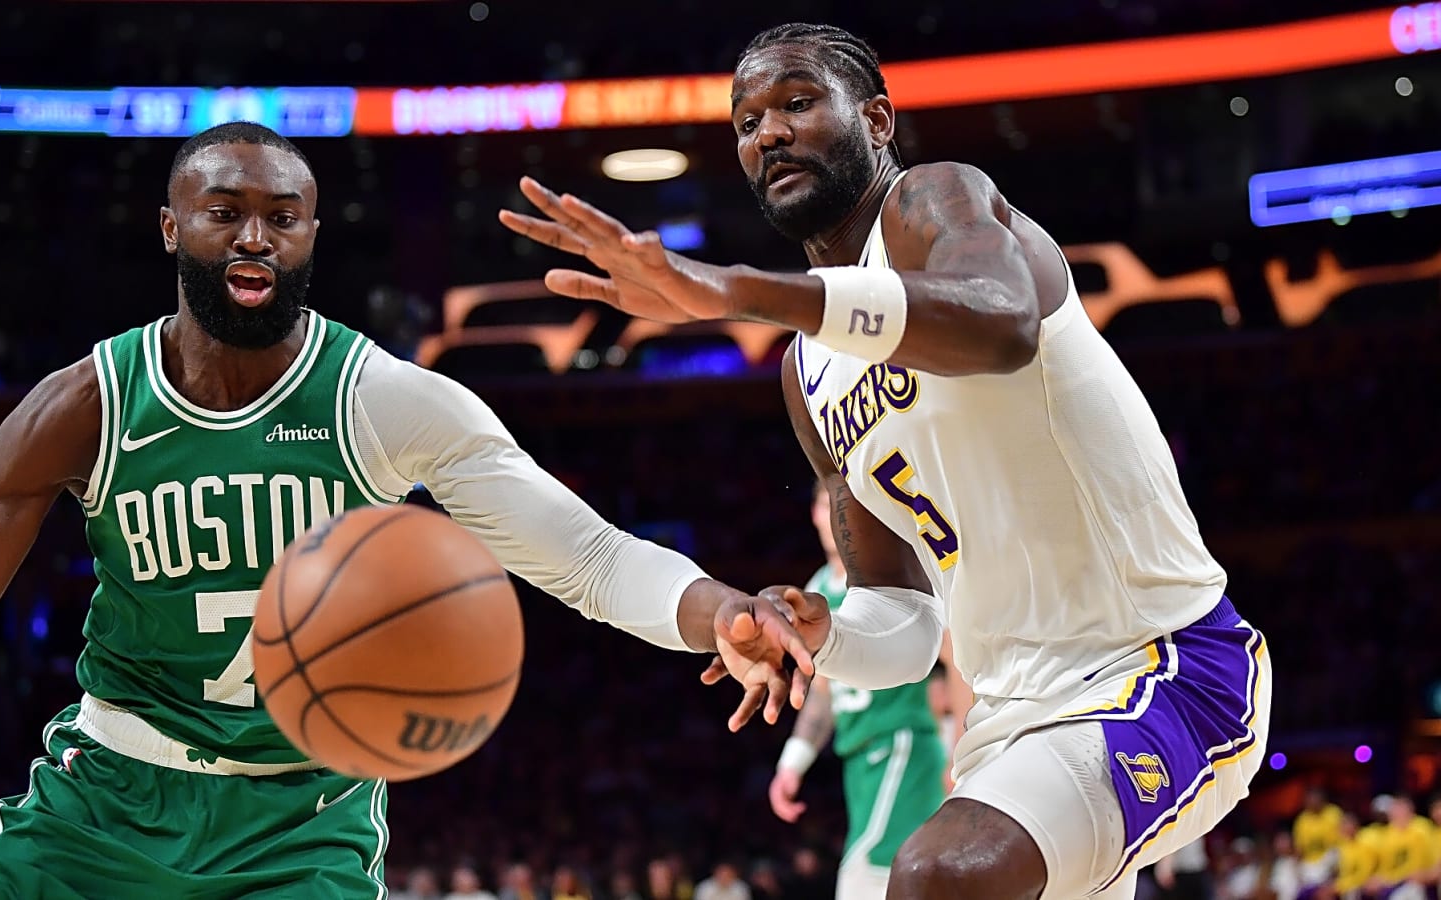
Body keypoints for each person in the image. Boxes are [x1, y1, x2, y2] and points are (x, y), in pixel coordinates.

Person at [0, 122, 797, 900]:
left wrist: (718, 609)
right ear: (171, 228)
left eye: (282, 218)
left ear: (310, 237)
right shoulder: (85, 406)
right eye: (225, 212)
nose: (255, 236)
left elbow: (587, 559)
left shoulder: (383, 400)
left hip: (301, 826)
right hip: (108, 799)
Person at [499, 22, 1273, 900]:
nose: (769, 134)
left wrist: (734, 290)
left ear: (875, 119)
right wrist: (826, 633)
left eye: (796, 103)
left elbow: (1003, 322)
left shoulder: (933, 204)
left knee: (935, 872)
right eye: (746, 122)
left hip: (1163, 666)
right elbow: (903, 622)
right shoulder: (807, 374)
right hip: (1007, 722)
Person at [768, 481, 970, 900]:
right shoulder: (816, 589)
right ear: (815, 514)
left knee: (864, 879)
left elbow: (957, 659)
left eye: (846, 504)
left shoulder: (891, 575)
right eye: (827, 504)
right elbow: (822, 691)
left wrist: (961, 747)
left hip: (903, 746)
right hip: (859, 761)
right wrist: (793, 762)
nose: (837, 515)